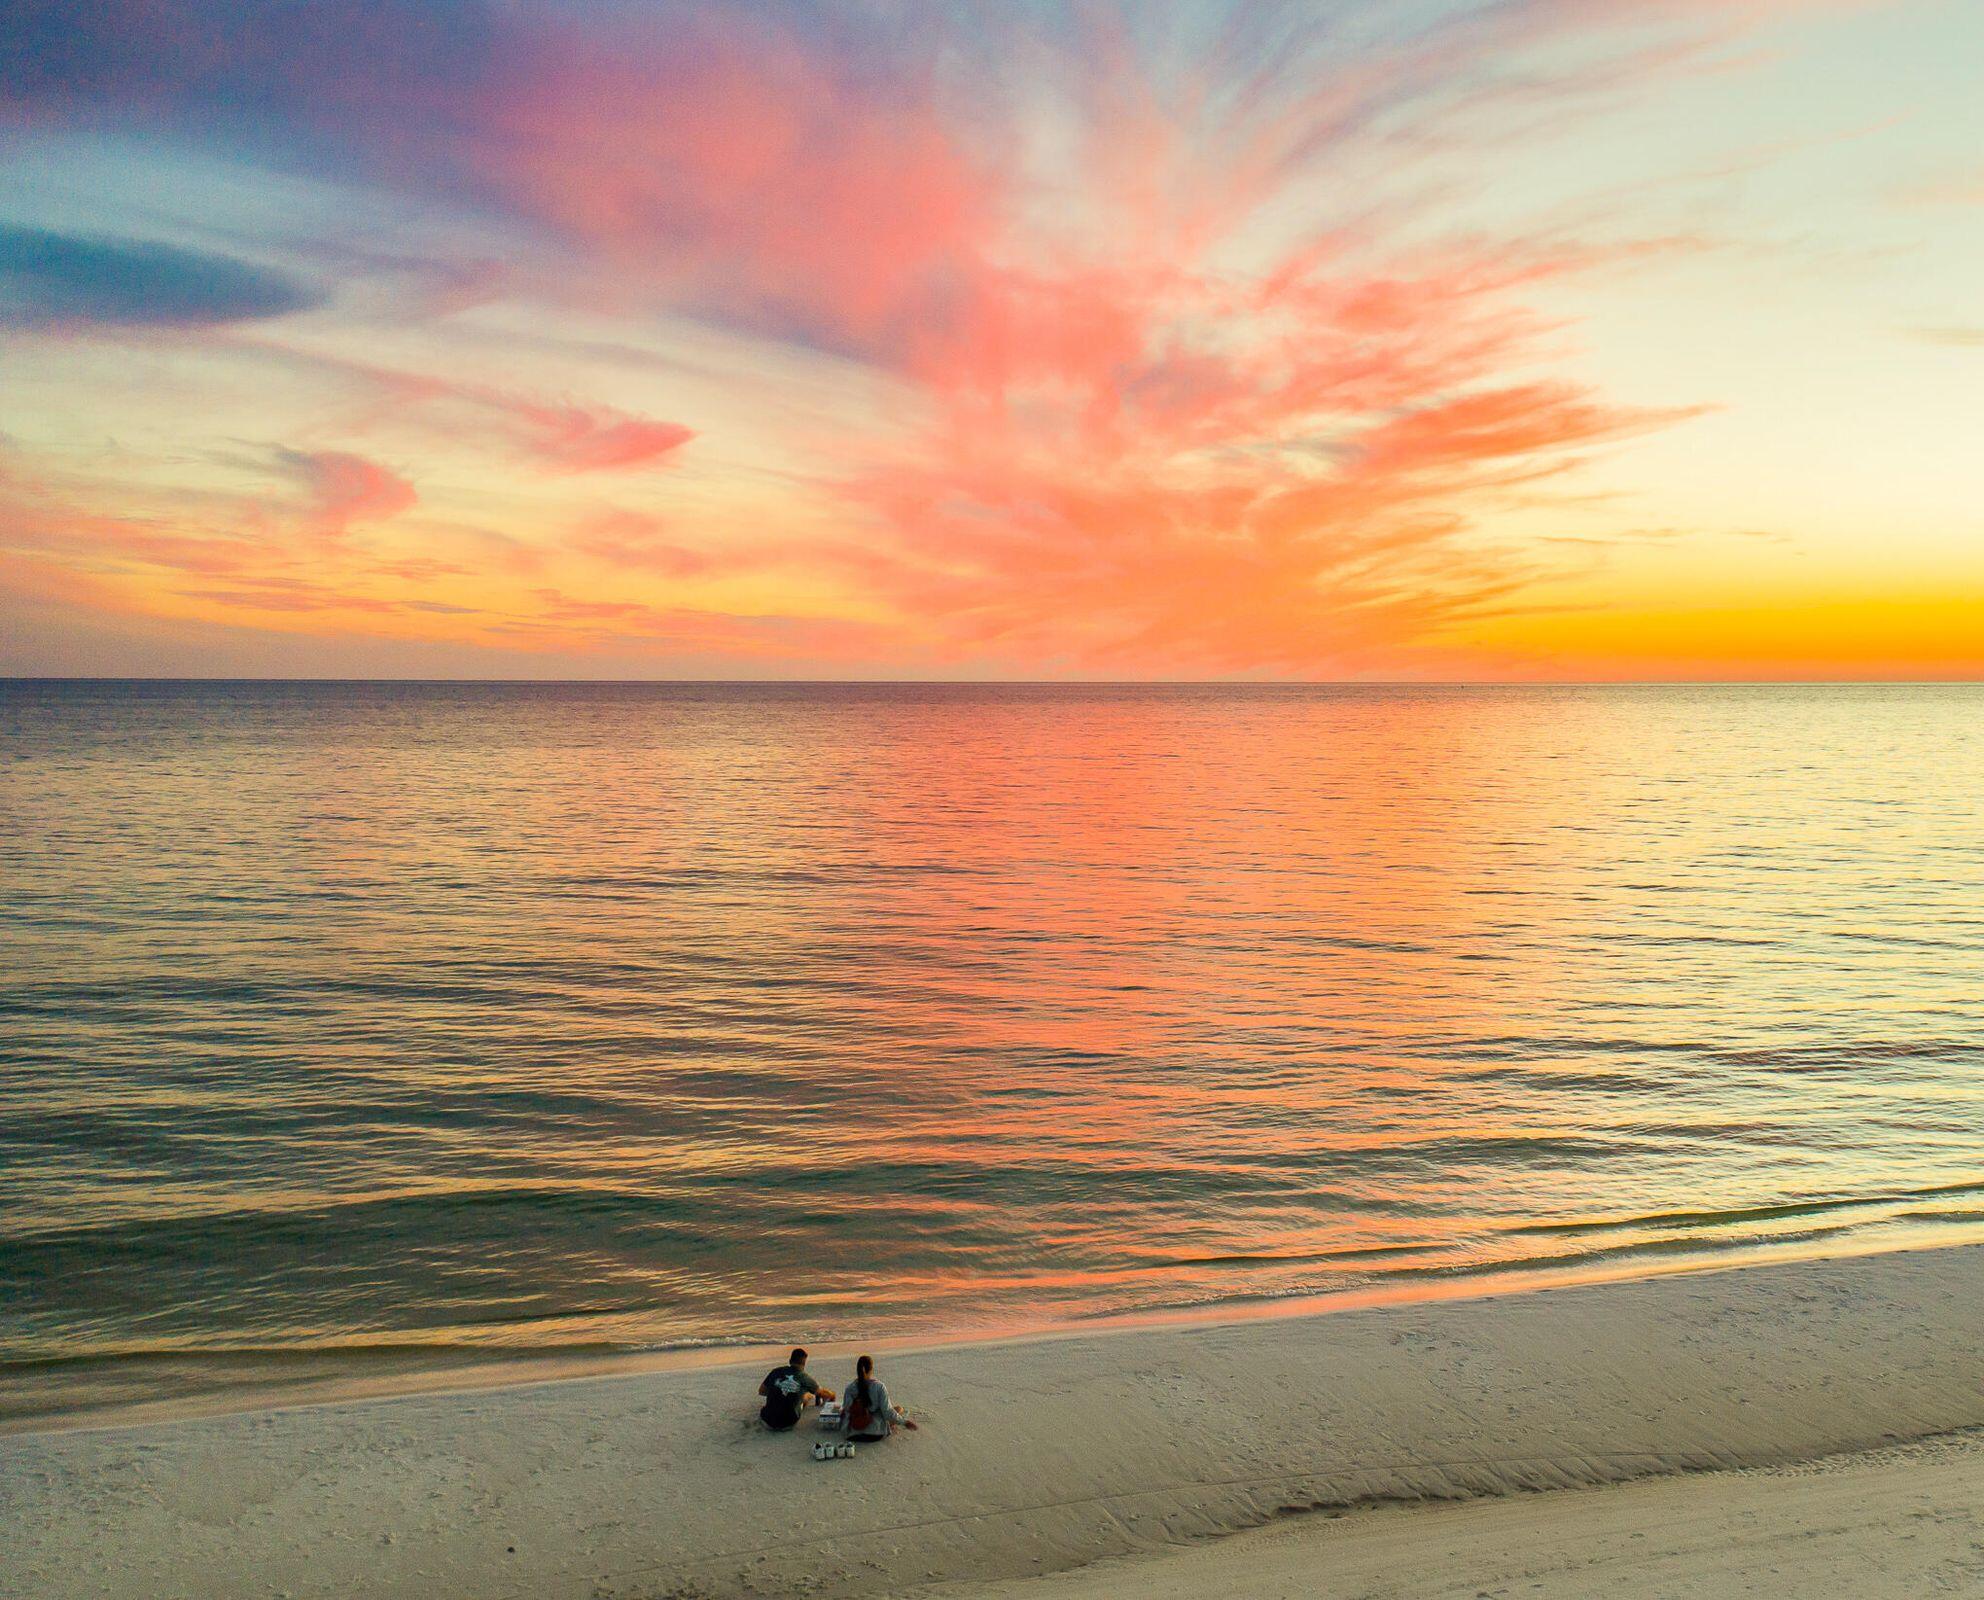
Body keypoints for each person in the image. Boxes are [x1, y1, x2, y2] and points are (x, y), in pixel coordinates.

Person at [842, 1353, 916, 1442]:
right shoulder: (879, 1386)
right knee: (899, 1409)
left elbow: (847, 1409)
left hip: (853, 1434)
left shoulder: (850, 1388)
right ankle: (893, 1423)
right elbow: (887, 1412)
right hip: (876, 1434)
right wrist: (905, 1422)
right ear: (871, 1369)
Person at [758, 1347, 833, 1431]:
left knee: (797, 1395)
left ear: (790, 1361)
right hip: (788, 1423)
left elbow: (761, 1391)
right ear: (804, 1363)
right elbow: (824, 1394)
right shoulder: (805, 1378)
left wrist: (779, 1391)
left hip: (767, 1421)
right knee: (807, 1395)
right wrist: (832, 1395)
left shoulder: (776, 1371)